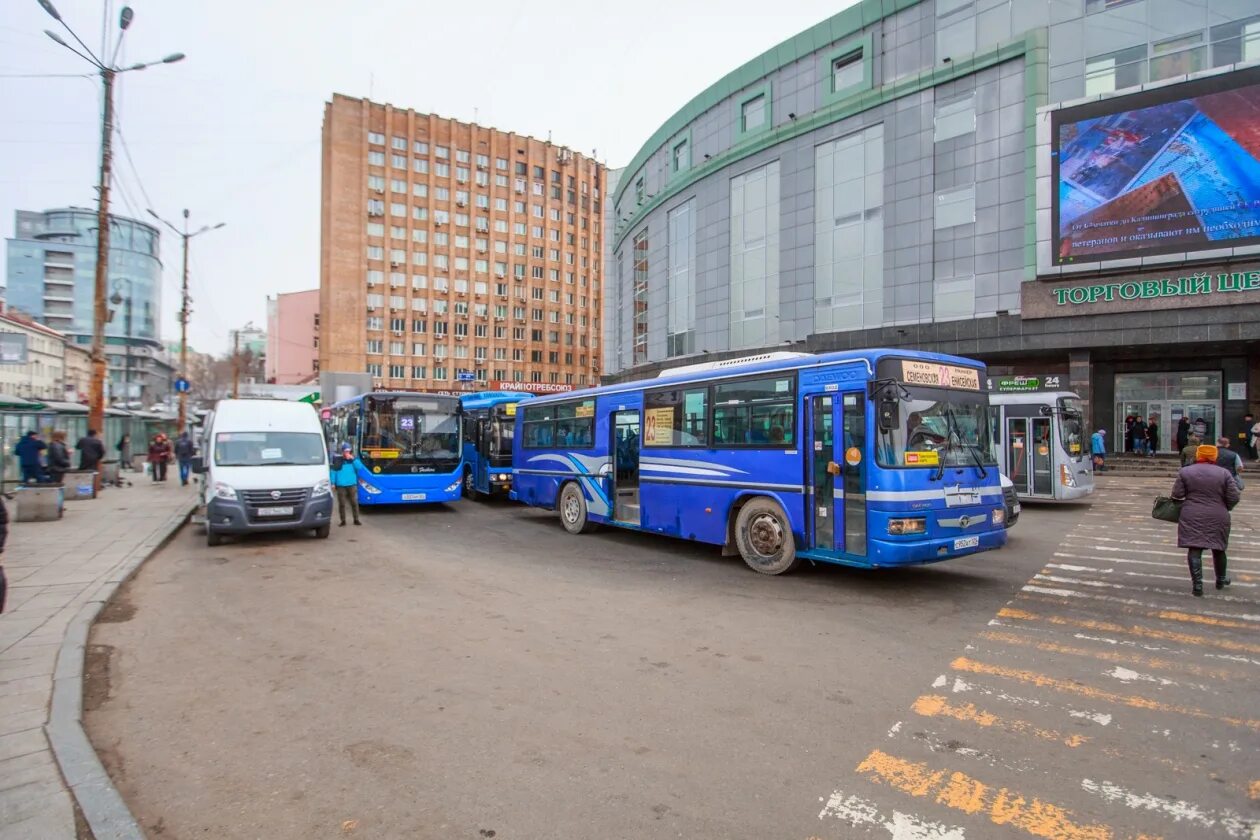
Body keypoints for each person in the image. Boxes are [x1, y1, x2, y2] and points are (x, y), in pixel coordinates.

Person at [1171, 444, 1239, 596]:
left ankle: (1197, 585)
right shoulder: (1224, 473)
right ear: (1214, 456)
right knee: (1219, 548)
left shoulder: (1185, 472)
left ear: (1198, 455)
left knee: (1195, 548)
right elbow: (1234, 496)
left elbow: (1177, 494)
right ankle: (1221, 580)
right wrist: (1224, 506)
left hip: (1192, 513)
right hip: (1218, 514)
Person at [329, 443, 363, 526]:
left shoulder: (354, 460)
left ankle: (356, 519)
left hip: (352, 484)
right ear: (342, 452)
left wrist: (353, 459)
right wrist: (333, 483)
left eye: (349, 451)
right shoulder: (338, 460)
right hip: (341, 485)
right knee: (342, 503)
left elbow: (359, 467)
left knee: (354, 502)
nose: (347, 453)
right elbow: (333, 472)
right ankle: (343, 520)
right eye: (346, 451)